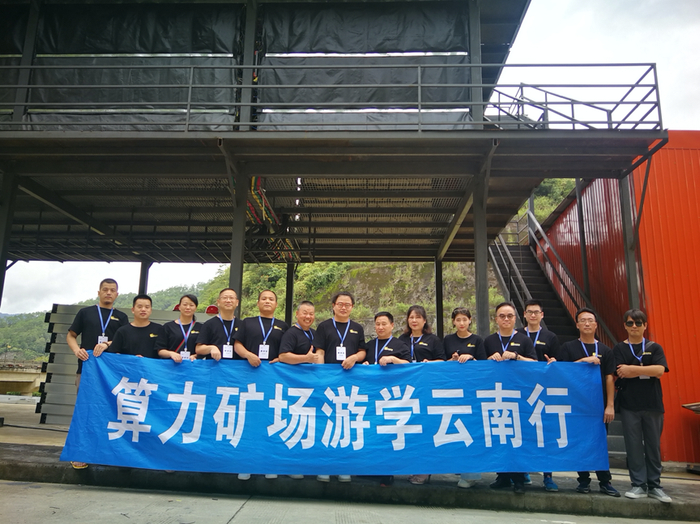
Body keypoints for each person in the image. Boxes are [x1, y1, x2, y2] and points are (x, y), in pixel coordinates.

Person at [65, 278, 129, 469]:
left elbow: (125, 341)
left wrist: (107, 344)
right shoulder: (85, 313)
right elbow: (71, 335)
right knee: (85, 411)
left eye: (112, 290)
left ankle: (107, 452)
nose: (109, 293)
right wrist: (76, 350)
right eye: (105, 289)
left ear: (117, 294)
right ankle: (80, 452)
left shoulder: (121, 317)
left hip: (112, 376)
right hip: (87, 370)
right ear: (99, 292)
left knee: (110, 411)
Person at [559, 307, 620, 498]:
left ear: (595, 325)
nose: (586, 323)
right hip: (576, 404)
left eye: (590, 320)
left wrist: (610, 405)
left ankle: (605, 481)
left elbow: (609, 378)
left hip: (598, 405)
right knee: (580, 441)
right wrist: (584, 360)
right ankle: (583, 480)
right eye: (583, 320)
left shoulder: (605, 350)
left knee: (599, 442)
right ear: (577, 325)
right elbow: (562, 371)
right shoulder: (568, 347)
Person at [614, 309, 671, 503]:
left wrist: (633, 369)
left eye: (638, 323)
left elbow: (659, 370)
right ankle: (638, 484)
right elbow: (620, 372)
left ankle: (655, 485)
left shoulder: (655, 348)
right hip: (629, 405)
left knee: (653, 446)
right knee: (634, 446)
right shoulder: (619, 349)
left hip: (653, 404)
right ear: (625, 326)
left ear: (645, 325)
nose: (634, 327)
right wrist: (645, 370)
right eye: (630, 323)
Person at [312, 291, 367, 483]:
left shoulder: (357, 328)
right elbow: (319, 352)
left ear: (352, 307)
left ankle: (344, 467)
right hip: (328, 382)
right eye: (340, 304)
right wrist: (321, 375)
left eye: (347, 304)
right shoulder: (324, 326)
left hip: (349, 384)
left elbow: (362, 352)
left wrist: (354, 358)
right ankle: (324, 467)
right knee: (326, 423)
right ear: (333, 306)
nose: (343, 307)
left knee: (346, 424)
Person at [485, 302, 536, 495]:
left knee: (516, 438)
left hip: (518, 396)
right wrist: (489, 360)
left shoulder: (524, 340)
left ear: (515, 318)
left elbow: (534, 363)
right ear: (496, 319)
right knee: (499, 436)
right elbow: (480, 366)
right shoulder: (489, 340)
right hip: (495, 396)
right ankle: (502, 476)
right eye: (502, 316)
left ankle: (519, 479)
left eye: (509, 316)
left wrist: (516, 356)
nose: (506, 319)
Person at [517, 298, 560, 492]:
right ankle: (523, 471)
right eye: (529, 312)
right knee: (523, 431)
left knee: (545, 433)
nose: (533, 315)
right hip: (521, 389)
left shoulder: (550, 337)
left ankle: (548, 475)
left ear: (542, 315)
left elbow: (559, 362)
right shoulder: (517, 334)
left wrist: (554, 362)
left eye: (536, 312)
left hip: (543, 390)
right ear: (524, 314)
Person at [442, 306, 486, 488]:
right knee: (454, 429)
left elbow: (484, 364)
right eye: (458, 319)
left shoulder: (477, 340)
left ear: (470, 321)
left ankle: (472, 474)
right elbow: (442, 363)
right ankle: (459, 467)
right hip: (452, 391)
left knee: (471, 429)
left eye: (464, 319)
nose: (461, 323)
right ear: (453, 321)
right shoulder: (447, 340)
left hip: (471, 391)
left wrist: (470, 358)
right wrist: (452, 360)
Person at [234, 290, 289, 367]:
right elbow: (237, 345)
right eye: (264, 299)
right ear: (258, 303)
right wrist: (247, 355)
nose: (267, 301)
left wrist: (280, 359)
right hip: (249, 368)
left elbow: (287, 349)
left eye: (271, 299)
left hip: (274, 368)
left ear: (276, 304)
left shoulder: (283, 326)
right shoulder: (247, 322)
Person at [107, 294, 163, 358]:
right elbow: (113, 354)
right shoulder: (123, 331)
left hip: (151, 364)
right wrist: (132, 359)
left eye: (147, 307)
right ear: (133, 310)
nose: (143, 309)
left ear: (151, 310)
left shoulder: (159, 329)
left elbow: (163, 351)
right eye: (139, 307)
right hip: (129, 364)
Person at [195, 288, 241, 361]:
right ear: (218, 302)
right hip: (215, 366)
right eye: (225, 298)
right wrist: (211, 348)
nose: (228, 300)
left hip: (236, 367)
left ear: (237, 302)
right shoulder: (209, 324)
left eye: (231, 298)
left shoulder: (242, 325)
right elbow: (198, 349)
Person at [155, 294, 202, 362]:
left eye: (191, 305)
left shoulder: (201, 327)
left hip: (192, 365)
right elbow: (160, 350)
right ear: (179, 307)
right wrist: (171, 353)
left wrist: (195, 356)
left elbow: (204, 349)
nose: (188, 307)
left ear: (195, 308)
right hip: (172, 365)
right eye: (185, 304)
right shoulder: (168, 326)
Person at [278, 301, 321, 365]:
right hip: (296, 371)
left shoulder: (314, 333)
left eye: (311, 314)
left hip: (313, 370)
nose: (308, 316)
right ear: (297, 314)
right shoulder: (290, 333)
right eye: (305, 313)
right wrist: (306, 358)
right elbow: (283, 357)